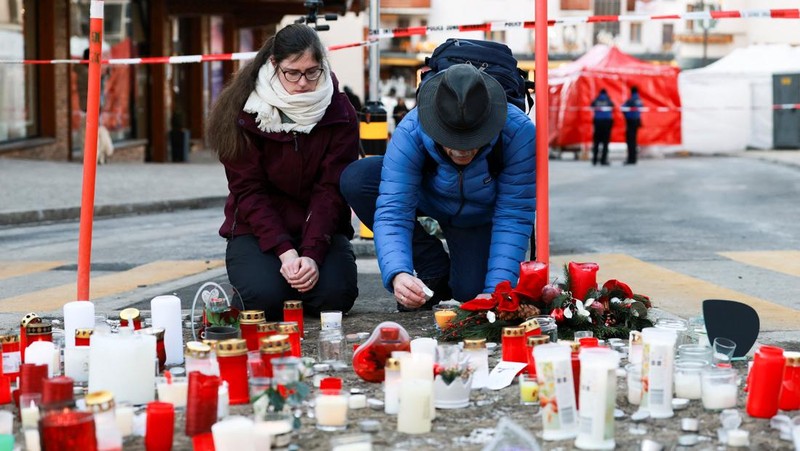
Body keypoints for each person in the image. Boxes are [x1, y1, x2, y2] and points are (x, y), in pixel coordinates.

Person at [340, 64, 536, 311]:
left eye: (471, 140)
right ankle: (432, 263)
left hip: (478, 216)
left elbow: (514, 216)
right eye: (451, 140)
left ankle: (460, 274)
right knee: (358, 178)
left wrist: (496, 292)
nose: (461, 150)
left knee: (472, 293)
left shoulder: (519, 133)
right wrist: (398, 273)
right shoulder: (412, 128)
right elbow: (393, 210)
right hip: (428, 195)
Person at [206, 24, 360, 321]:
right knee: (265, 301)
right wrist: (286, 252)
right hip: (257, 230)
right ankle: (273, 277)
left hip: (319, 228)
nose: (303, 82)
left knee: (333, 300)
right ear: (274, 64)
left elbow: (330, 189)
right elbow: (249, 191)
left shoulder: (339, 111)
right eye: (293, 72)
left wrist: (312, 255)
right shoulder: (244, 111)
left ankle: (303, 277)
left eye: (312, 71)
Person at [591, 88, 614, 166]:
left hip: (597, 122)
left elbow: (591, 105)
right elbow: (612, 106)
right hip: (607, 122)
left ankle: (594, 160)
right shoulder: (608, 100)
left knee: (596, 142)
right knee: (605, 142)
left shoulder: (596, 99)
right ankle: (603, 160)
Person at [623, 86, 644, 165]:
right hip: (637, 121)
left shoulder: (631, 100)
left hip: (630, 121)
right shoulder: (639, 100)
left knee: (630, 141)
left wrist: (626, 115)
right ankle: (634, 159)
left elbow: (623, 108)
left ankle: (630, 159)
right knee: (634, 140)